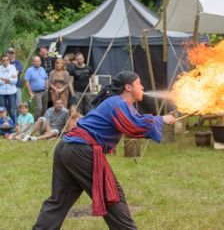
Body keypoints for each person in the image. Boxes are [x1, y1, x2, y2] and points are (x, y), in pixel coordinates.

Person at [32, 71, 176, 230]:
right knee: (113, 197)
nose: (142, 87)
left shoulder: (118, 103)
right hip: (79, 150)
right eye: (139, 83)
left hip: (66, 147)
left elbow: (135, 122)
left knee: (59, 200)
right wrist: (161, 119)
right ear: (128, 87)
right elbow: (135, 125)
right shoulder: (118, 103)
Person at [0, 54, 18, 122]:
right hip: (1, 92)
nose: (5, 62)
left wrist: (3, 79)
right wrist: (10, 79)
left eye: (7, 60)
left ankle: (13, 125)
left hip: (12, 92)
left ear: (9, 60)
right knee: (3, 110)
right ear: (1, 61)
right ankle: (3, 125)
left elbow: (15, 81)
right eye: (3, 60)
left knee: (12, 109)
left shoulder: (13, 68)